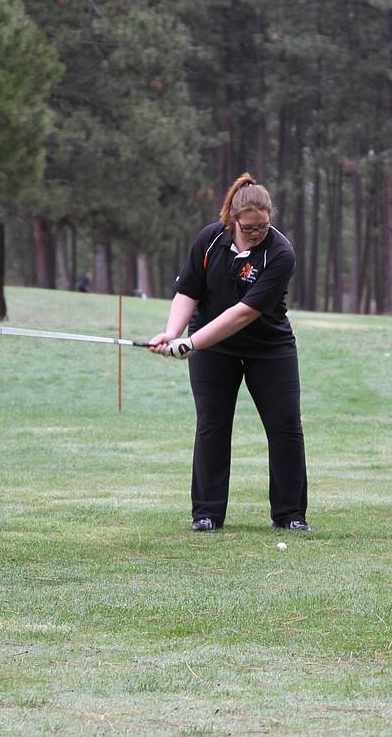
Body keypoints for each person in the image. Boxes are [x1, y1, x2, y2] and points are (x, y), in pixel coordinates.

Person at [149, 173, 311, 533]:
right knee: (213, 425)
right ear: (232, 220)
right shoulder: (210, 240)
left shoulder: (280, 253)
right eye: (250, 227)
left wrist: (190, 344)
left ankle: (290, 514)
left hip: (269, 349)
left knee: (286, 426)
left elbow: (244, 313)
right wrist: (172, 333)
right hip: (214, 350)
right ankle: (206, 513)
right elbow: (188, 292)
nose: (257, 233)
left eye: (263, 226)